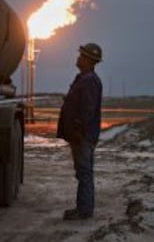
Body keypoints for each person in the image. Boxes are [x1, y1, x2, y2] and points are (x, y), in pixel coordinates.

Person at [57, 42, 103, 220]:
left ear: (87, 59)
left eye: (81, 55)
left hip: (83, 136)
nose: (78, 58)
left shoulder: (89, 80)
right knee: (82, 172)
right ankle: (83, 208)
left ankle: (84, 210)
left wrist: (77, 129)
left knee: (84, 172)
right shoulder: (84, 78)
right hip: (82, 135)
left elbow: (87, 109)